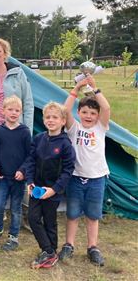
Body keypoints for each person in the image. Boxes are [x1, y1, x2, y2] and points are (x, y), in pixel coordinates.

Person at [58, 76, 111, 267]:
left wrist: (95, 89)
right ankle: (69, 245)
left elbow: (105, 108)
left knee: (93, 215)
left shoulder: (101, 127)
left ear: (97, 116)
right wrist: (76, 89)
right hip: (75, 178)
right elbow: (64, 110)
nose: (89, 116)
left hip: (97, 179)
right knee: (72, 214)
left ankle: (92, 247)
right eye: (85, 112)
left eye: (92, 113)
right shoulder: (74, 128)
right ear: (79, 112)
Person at [17, 102, 75, 269]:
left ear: (63, 121)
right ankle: (48, 250)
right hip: (37, 189)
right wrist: (30, 181)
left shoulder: (65, 144)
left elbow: (68, 170)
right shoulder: (39, 138)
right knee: (34, 218)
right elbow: (30, 161)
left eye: (55, 117)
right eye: (48, 117)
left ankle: (51, 252)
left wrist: (54, 189)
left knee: (50, 221)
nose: (51, 120)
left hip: (52, 191)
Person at [0, 96, 31, 251]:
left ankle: (13, 237)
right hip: (3, 177)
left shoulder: (24, 132)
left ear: (21, 112)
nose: (13, 113)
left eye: (17, 110)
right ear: (3, 111)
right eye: (10, 109)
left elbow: (29, 155)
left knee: (16, 208)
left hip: (18, 178)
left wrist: (23, 170)